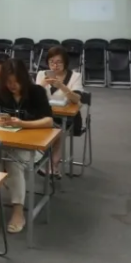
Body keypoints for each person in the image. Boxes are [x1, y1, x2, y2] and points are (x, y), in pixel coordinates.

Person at [0, 58, 54, 234]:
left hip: (32, 147)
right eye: (8, 82)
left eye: (16, 82)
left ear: (23, 79)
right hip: (5, 143)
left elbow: (49, 121)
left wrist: (23, 124)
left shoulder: (36, 92)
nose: (12, 86)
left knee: (12, 162)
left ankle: (18, 211)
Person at [35, 46, 83, 176]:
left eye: (59, 62)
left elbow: (76, 99)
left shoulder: (75, 76)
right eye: (51, 62)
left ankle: (52, 164)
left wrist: (61, 86)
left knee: (58, 131)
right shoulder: (42, 74)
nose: (55, 65)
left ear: (65, 62)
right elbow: (33, 97)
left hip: (68, 118)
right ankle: (41, 160)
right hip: (45, 114)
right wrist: (41, 85)